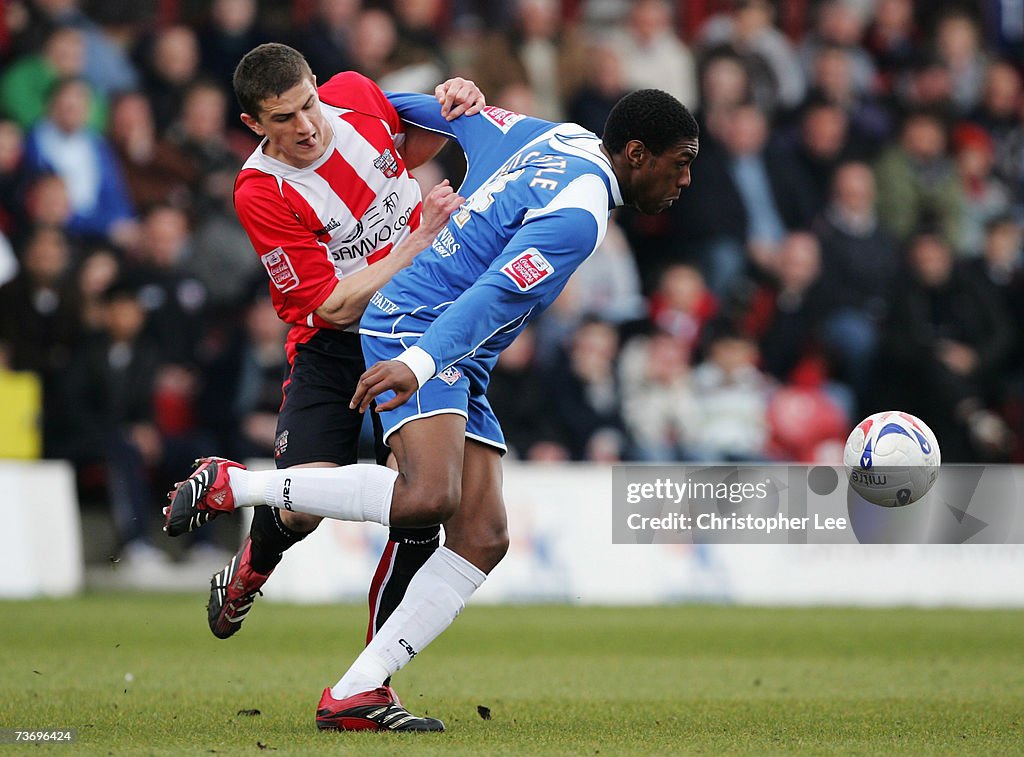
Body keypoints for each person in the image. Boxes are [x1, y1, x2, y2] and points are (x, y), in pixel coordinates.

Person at [166, 87, 699, 731]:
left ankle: (355, 691)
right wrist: (417, 362)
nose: (685, 180)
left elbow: (464, 119)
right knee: (425, 498)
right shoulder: (580, 216)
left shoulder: (561, 137)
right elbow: (496, 297)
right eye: (681, 162)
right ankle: (234, 483)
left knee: (482, 537)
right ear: (638, 154)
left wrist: (438, 96)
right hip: (421, 320)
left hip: (454, 344)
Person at [163, 40, 485, 696]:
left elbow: (408, 150)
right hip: (334, 347)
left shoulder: (359, 95)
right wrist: (419, 240)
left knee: (420, 500)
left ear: (317, 84)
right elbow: (330, 307)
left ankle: (370, 679)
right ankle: (252, 565)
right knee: (305, 501)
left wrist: (463, 99)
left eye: (308, 103)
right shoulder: (262, 189)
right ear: (254, 125)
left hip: (415, 330)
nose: (306, 126)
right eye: (283, 118)